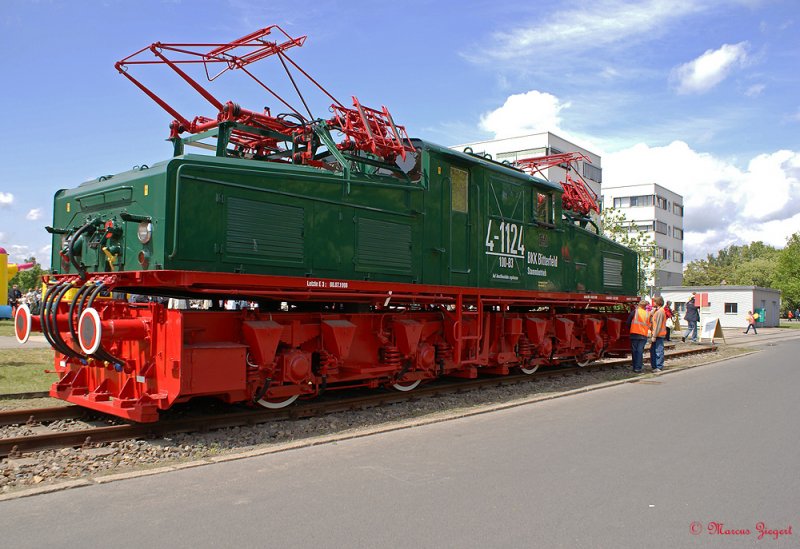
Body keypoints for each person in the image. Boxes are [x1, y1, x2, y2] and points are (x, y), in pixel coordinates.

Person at [628, 300, 650, 373]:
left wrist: (630, 329)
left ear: (639, 305)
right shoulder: (647, 314)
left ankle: (635, 367)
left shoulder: (635, 312)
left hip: (634, 334)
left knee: (634, 351)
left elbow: (628, 322)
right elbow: (649, 324)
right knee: (640, 351)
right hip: (643, 335)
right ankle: (638, 367)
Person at [649, 296, 667, 372]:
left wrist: (654, 336)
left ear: (658, 302)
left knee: (658, 350)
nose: (653, 303)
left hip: (659, 334)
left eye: (654, 301)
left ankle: (659, 366)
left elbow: (658, 325)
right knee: (653, 350)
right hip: (657, 334)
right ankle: (655, 366)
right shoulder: (657, 311)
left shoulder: (660, 312)